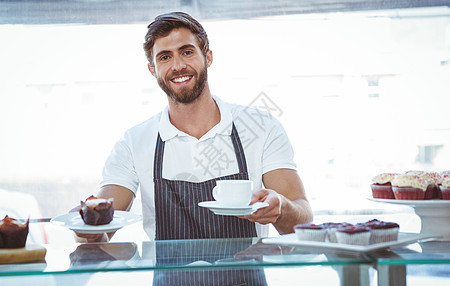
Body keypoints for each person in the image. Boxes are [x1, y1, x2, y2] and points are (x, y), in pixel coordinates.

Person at [77, 11, 312, 243]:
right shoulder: (133, 142)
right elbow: (101, 226)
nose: (178, 66)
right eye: (165, 57)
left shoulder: (261, 127)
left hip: (246, 281)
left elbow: (302, 218)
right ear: (153, 70)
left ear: (208, 57)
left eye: (187, 52)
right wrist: (83, 224)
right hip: (170, 281)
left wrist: (280, 207)